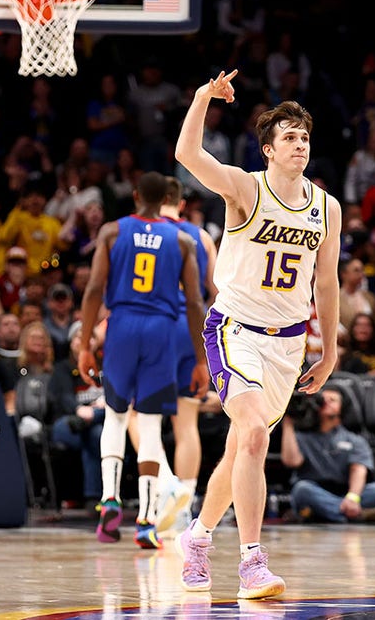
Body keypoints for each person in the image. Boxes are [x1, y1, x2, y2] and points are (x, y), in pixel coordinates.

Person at [173, 71, 342, 600]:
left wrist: (330, 348)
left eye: (305, 137)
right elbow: (187, 155)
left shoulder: (326, 207)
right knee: (253, 436)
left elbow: (328, 279)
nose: (299, 144)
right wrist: (201, 97)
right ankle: (252, 562)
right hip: (235, 329)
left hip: (289, 344)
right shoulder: (246, 186)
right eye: (289, 137)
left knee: (241, 450)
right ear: (268, 149)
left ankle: (197, 537)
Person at [77, 172, 208, 550]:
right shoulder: (183, 240)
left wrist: (85, 343)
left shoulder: (113, 232)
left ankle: (109, 499)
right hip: (162, 330)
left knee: (117, 416)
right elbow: (197, 302)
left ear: (134, 196)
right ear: (169, 197)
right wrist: (200, 360)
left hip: (123, 325)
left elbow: (94, 289)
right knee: (150, 423)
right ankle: (148, 520)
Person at [154, 176, 220, 535]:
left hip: (154, 325)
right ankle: (185, 503)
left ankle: (166, 482)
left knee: (134, 411)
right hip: (191, 328)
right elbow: (217, 290)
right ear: (180, 203)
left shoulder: (141, 230)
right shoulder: (202, 236)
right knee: (187, 421)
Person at [279, 388, 375, 523]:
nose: (326, 402)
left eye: (332, 400)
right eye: (323, 400)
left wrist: (352, 498)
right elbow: (291, 462)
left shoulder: (354, 439)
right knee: (301, 490)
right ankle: (358, 516)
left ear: (342, 408)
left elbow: (358, 470)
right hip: (316, 489)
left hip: (346, 491)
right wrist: (288, 425)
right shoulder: (302, 437)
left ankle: (322, 514)